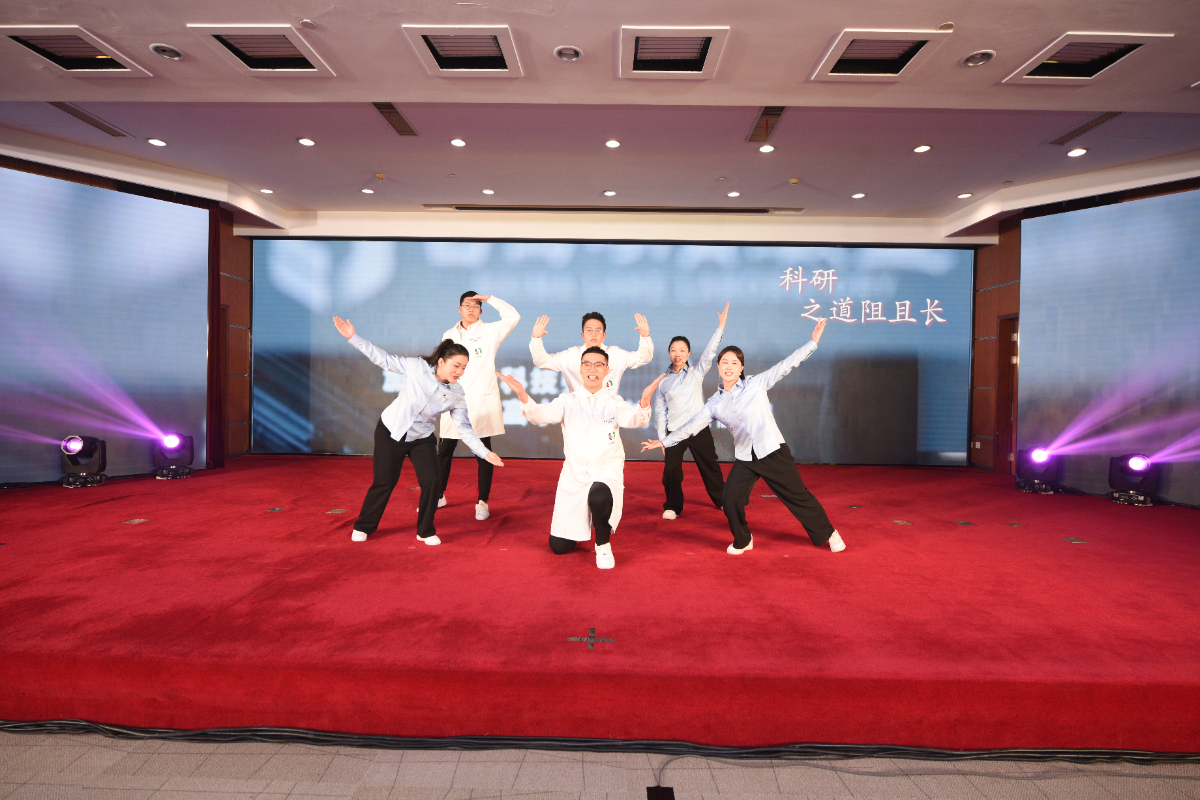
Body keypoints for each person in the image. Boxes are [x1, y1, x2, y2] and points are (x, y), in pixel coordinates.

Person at [642, 318, 845, 555]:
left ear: (741, 368)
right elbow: (690, 426)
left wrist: (813, 343)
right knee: (730, 498)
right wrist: (664, 441)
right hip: (746, 458)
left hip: (772, 451)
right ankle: (744, 539)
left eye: (734, 363)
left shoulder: (756, 384)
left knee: (797, 497)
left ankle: (829, 533)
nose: (729, 367)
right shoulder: (715, 403)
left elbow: (786, 365)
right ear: (718, 367)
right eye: (724, 362)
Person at [333, 315, 503, 545]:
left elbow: (465, 428)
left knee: (432, 481)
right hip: (391, 431)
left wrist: (484, 452)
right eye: (456, 366)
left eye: (464, 367)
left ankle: (425, 531)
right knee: (385, 482)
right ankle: (364, 525)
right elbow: (384, 359)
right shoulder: (417, 367)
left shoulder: (457, 393)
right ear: (441, 362)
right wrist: (353, 338)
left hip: (421, 438)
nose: (460, 371)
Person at [497, 348, 664, 569]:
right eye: (587, 364)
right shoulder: (567, 401)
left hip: (605, 469)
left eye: (598, 365)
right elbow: (540, 415)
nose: (592, 369)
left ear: (607, 370)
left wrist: (644, 400)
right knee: (558, 547)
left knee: (600, 494)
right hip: (575, 475)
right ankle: (585, 522)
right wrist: (522, 395)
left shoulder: (615, 402)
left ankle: (602, 543)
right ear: (580, 369)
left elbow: (633, 419)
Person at [435, 291, 520, 521]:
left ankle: (482, 501)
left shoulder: (491, 331)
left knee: (484, 451)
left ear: (481, 310)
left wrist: (490, 298)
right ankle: (438, 494)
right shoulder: (449, 334)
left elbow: (513, 316)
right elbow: (441, 366)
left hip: (481, 399)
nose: (471, 309)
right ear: (459, 309)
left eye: (475, 306)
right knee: (445, 449)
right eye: (467, 305)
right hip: (453, 397)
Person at [653, 303, 729, 520]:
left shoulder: (696, 372)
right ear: (669, 353)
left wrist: (721, 326)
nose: (677, 354)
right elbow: (660, 413)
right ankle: (673, 506)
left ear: (688, 353)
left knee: (710, 467)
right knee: (671, 472)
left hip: (698, 429)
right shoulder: (663, 382)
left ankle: (722, 500)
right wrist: (663, 440)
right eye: (673, 350)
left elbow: (710, 352)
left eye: (682, 350)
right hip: (675, 432)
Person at [529, 311, 653, 395]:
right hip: (577, 415)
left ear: (604, 335)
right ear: (582, 335)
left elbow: (642, 359)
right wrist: (536, 338)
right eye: (589, 330)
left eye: (598, 330)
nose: (593, 334)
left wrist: (645, 336)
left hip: (608, 416)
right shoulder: (571, 355)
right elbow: (543, 361)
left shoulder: (616, 354)